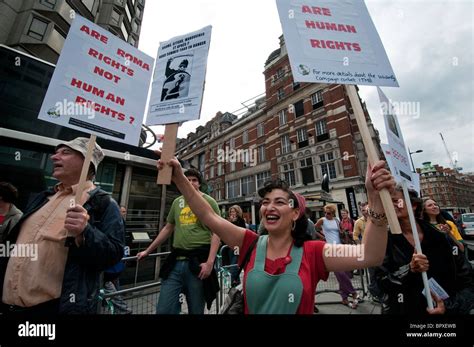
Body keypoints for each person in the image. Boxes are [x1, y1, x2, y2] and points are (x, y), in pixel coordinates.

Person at [158, 158, 394, 314]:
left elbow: (369, 255)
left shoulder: (314, 251)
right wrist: (178, 176)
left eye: (279, 202)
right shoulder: (249, 242)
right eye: (265, 202)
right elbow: (209, 216)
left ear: (294, 213)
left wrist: (374, 198)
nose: (269, 207)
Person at [0, 137, 124, 315]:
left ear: (87, 162)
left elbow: (113, 254)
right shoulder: (42, 197)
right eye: (56, 152)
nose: (54, 157)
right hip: (8, 306)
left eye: (65, 152)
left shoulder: (102, 203)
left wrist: (85, 232)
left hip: (52, 309)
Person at [375, 186, 474, 314]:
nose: (391, 205)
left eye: (395, 201)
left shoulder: (440, 237)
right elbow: (380, 284)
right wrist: (409, 270)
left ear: (414, 205)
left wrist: (448, 307)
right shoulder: (384, 241)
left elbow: (468, 280)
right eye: (387, 202)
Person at [137, 168, 221, 314]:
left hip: (197, 264)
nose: (190, 183)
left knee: (196, 309)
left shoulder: (209, 201)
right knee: (164, 309)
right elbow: (167, 228)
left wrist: (209, 263)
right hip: (175, 263)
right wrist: (148, 250)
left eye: (194, 180)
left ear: (199, 184)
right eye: (187, 179)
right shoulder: (177, 202)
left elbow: (217, 232)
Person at [316, 204, 359, 308]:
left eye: (329, 213)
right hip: (330, 249)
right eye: (325, 212)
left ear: (333, 213)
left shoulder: (336, 220)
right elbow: (315, 229)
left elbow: (340, 232)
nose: (326, 214)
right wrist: (323, 237)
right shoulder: (322, 220)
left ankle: (344, 298)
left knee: (344, 273)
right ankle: (353, 292)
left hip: (340, 248)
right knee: (340, 273)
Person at [102, 206, 131, 314]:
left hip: (114, 264)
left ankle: (123, 309)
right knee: (111, 287)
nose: (123, 213)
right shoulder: (115, 222)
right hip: (111, 264)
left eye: (124, 212)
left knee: (112, 287)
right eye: (121, 211)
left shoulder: (120, 223)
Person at [354, 202, 383, 302]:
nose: (365, 212)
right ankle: (375, 294)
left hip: (380, 249)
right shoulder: (358, 222)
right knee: (372, 274)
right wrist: (361, 246)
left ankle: (380, 291)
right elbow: (355, 236)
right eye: (363, 210)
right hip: (369, 251)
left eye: (367, 210)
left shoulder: (377, 219)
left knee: (382, 272)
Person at [221, 205, 246, 286]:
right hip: (229, 246)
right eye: (231, 211)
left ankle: (234, 285)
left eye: (234, 211)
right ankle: (237, 283)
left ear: (237, 212)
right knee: (231, 266)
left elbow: (241, 231)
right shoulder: (228, 221)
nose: (232, 213)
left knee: (233, 267)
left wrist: (232, 222)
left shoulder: (241, 221)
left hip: (237, 247)